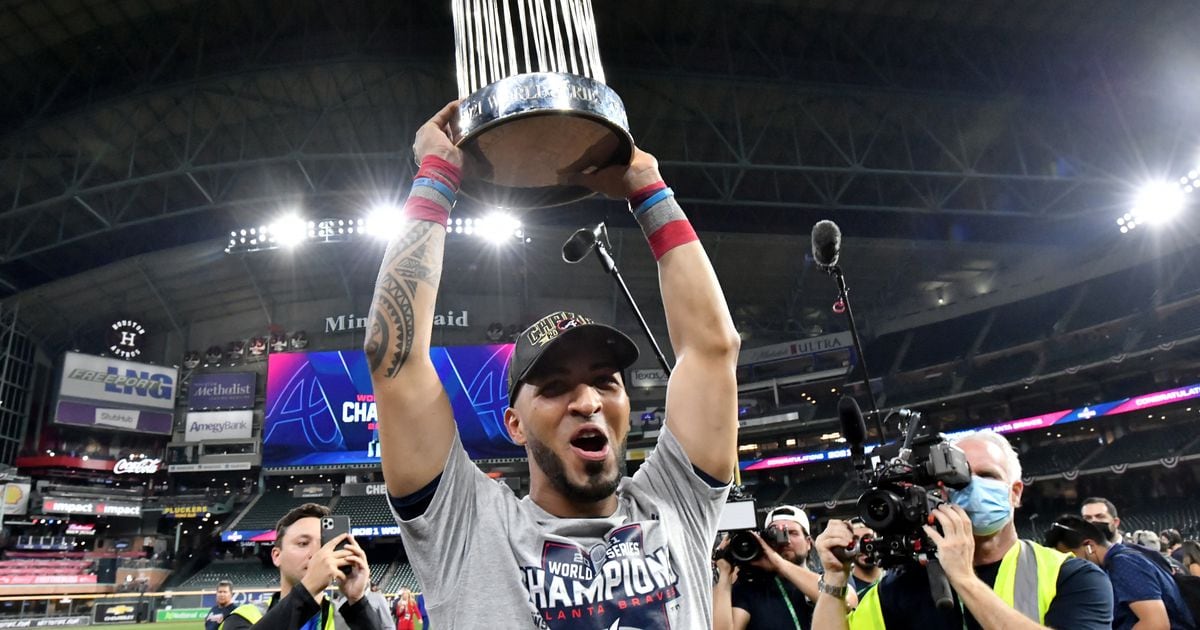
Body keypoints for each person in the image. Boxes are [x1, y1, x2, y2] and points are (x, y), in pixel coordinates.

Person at [369, 101, 741, 628]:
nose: (587, 402)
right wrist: (436, 176)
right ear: (514, 425)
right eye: (554, 387)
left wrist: (648, 187)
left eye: (605, 382)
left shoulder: (676, 502)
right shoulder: (468, 528)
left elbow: (714, 349)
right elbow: (395, 357)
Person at [811, 430, 1114, 629]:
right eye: (958, 478)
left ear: (1016, 492)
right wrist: (835, 577)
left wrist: (964, 578)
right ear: (940, 492)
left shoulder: (1071, 576)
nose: (973, 487)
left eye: (988, 475)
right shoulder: (903, 585)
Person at [220, 503, 381, 630]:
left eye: (322, 545)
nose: (316, 554)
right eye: (303, 543)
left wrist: (358, 603)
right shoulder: (245, 617)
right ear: (277, 556)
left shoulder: (347, 620)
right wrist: (308, 589)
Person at [714, 505, 857, 630]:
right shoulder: (751, 590)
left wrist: (779, 564)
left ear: (808, 543)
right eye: (775, 534)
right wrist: (725, 575)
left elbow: (848, 602)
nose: (785, 540)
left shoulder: (832, 575)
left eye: (793, 533)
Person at [1047, 515, 1195, 630]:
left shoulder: (1123, 563)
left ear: (1089, 546)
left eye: (1071, 555)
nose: (1070, 563)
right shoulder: (1128, 555)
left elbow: (1155, 624)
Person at [846, 519, 885, 598]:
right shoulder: (846, 588)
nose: (862, 546)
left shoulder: (892, 579)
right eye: (855, 540)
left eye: (867, 538)